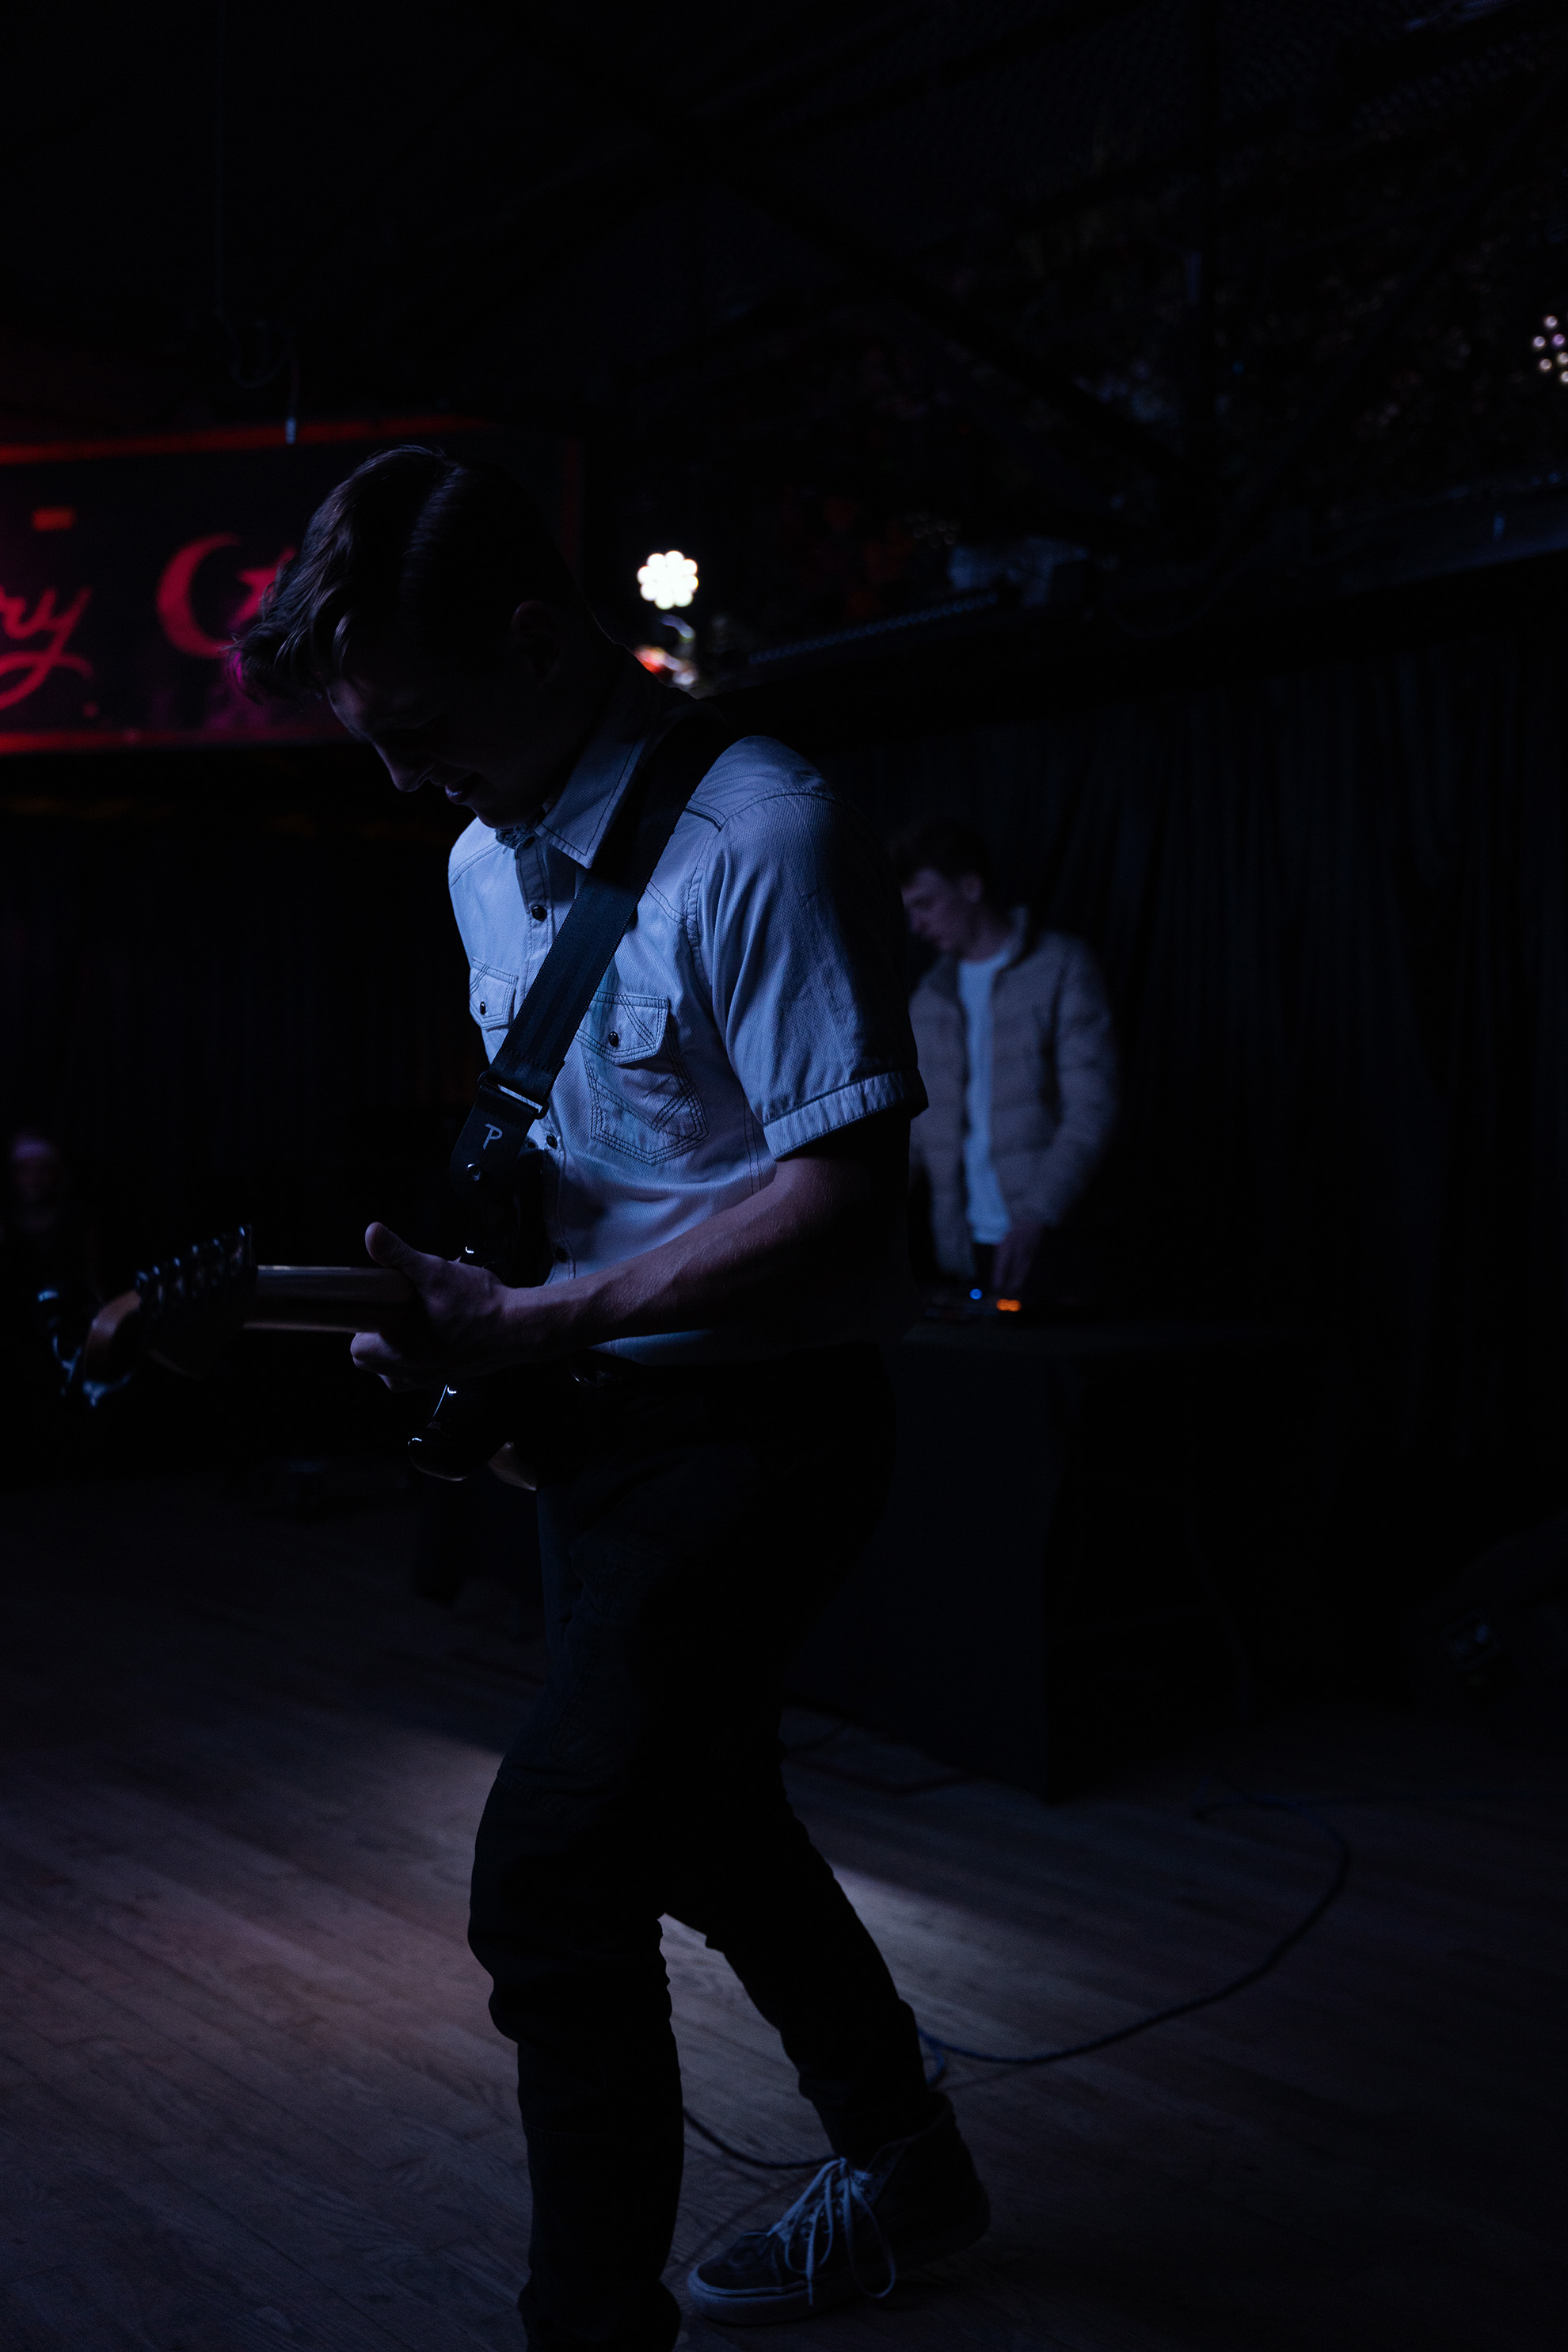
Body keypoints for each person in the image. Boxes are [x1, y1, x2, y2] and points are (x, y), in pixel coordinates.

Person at [237, 448, 988, 2352]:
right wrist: (460, 1311)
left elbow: (834, 1202)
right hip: (597, 1434)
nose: (403, 780)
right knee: (705, 1816)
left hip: (762, 1435)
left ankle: (589, 2328)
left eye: (417, 727)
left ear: (535, 637)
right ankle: (909, 2164)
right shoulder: (477, 858)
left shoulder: (761, 834)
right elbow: (591, 1163)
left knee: (557, 1866)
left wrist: (550, 1317)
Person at [893, 820, 1118, 1305]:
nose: (917, 926)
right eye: (908, 911)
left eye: (926, 904)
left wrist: (1039, 1212)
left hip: (1051, 1239)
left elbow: (1091, 1109)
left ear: (971, 887)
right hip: (962, 1249)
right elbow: (917, 1132)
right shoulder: (928, 999)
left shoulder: (1061, 968)